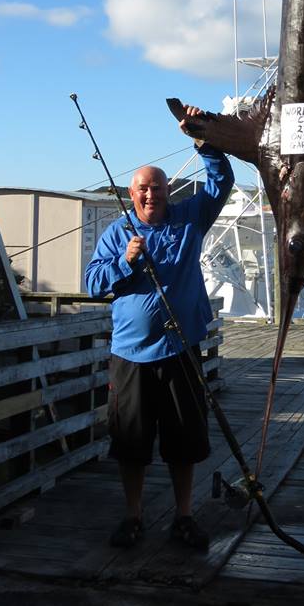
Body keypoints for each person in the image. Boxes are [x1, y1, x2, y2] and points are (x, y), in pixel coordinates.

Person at [85, 105, 233, 550]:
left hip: (181, 348)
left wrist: (203, 140)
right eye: (144, 189)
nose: (152, 195)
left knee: (184, 441)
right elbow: (92, 284)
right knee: (131, 444)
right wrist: (123, 262)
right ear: (132, 194)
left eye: (159, 187)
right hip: (130, 356)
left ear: (170, 190)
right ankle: (133, 517)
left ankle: (184, 517)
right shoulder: (116, 234)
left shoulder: (189, 219)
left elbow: (220, 183)